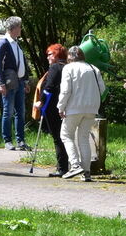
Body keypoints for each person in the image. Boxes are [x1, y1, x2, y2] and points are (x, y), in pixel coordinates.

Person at [58, 45, 105, 181]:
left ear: (70, 57)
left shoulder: (68, 68)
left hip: (74, 107)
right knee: (83, 138)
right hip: (92, 108)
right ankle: (87, 172)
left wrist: (61, 107)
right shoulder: (93, 68)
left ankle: (75, 165)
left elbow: (65, 90)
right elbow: (102, 89)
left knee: (66, 135)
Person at [0, 16, 30, 151]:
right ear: (13, 28)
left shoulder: (16, 43)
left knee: (21, 112)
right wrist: (1, 83)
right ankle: (7, 140)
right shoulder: (3, 43)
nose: (21, 29)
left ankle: (21, 141)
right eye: (19, 27)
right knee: (8, 111)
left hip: (20, 82)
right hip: (9, 83)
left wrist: (25, 80)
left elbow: (22, 63)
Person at [33, 44, 69, 176]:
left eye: (50, 54)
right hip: (65, 106)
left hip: (53, 106)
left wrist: (41, 101)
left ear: (57, 55)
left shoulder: (55, 68)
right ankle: (66, 165)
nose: (47, 57)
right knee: (65, 136)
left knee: (57, 137)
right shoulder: (67, 67)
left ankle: (62, 168)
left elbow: (49, 87)